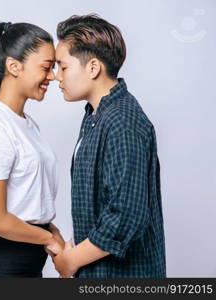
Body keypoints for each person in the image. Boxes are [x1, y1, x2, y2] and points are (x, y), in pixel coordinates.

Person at [52, 14, 166, 278]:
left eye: (63, 67)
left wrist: (71, 260)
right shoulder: (96, 115)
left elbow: (126, 214)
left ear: (93, 68)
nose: (57, 77)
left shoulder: (122, 121)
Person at [0, 21, 65, 278]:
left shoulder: (26, 124)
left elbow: (27, 202)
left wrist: (53, 231)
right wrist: (48, 238)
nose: (54, 76)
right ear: (14, 66)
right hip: (4, 264)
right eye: (46, 67)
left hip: (28, 261)